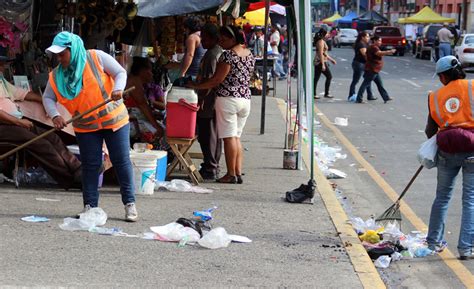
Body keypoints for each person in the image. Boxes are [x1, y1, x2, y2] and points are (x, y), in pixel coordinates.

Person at [42, 31, 138, 222]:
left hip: (114, 121)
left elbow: (120, 72)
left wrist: (118, 88)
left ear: (73, 49)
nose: (59, 59)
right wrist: (55, 115)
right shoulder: (56, 76)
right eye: (57, 55)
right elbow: (47, 98)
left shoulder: (95, 57)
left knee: (120, 161)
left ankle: (130, 204)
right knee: (91, 166)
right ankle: (90, 206)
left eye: (63, 54)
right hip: (86, 127)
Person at [0, 51, 81, 189]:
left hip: (15, 121)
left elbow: (21, 93)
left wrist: (43, 100)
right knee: (40, 143)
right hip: (5, 125)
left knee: (52, 137)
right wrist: (19, 122)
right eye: (1, 64)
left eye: (3, 63)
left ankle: (78, 168)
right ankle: (70, 179)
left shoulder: (1, 80)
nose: (3, 67)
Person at [187, 25, 255, 184]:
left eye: (224, 39)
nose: (221, 42)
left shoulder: (228, 56)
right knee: (236, 137)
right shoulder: (249, 54)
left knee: (229, 138)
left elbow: (217, 80)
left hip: (228, 99)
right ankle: (237, 172)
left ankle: (231, 174)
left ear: (233, 39)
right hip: (245, 98)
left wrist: (196, 86)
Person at [425, 56, 474, 260]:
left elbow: (430, 130)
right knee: (470, 199)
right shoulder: (472, 86)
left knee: (442, 197)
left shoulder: (435, 96)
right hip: (472, 148)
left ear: (443, 76)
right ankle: (466, 248)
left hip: (447, 150)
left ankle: (433, 242)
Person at [195, 23, 224, 180]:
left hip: (209, 101)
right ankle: (212, 164)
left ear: (213, 38)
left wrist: (200, 98)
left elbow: (210, 81)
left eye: (205, 38)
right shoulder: (215, 52)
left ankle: (210, 166)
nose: (202, 41)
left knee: (208, 135)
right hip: (212, 101)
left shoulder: (213, 55)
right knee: (213, 134)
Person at [125, 57, 165, 146]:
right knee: (160, 131)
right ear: (142, 70)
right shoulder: (134, 81)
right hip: (130, 122)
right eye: (149, 70)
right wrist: (156, 126)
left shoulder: (135, 81)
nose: (151, 74)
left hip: (133, 119)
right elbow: (142, 104)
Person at [355, 35, 395, 104]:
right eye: (379, 41)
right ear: (375, 41)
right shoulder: (374, 47)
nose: (380, 42)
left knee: (380, 84)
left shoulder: (374, 47)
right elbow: (379, 54)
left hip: (375, 69)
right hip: (372, 69)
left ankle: (386, 97)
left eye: (380, 41)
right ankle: (359, 98)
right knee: (365, 84)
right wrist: (389, 52)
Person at [348, 32, 374, 101]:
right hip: (359, 64)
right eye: (367, 37)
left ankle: (370, 95)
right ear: (362, 37)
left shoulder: (364, 44)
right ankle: (351, 95)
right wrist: (371, 62)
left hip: (362, 64)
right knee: (356, 80)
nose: (368, 38)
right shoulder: (361, 44)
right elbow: (365, 55)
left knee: (368, 79)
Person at [313, 28, 337, 99]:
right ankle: (326, 93)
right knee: (329, 76)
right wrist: (323, 64)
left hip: (321, 61)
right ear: (323, 34)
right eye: (327, 34)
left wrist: (331, 59)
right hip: (320, 61)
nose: (328, 35)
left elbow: (324, 53)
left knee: (317, 78)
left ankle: (315, 93)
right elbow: (320, 53)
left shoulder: (322, 41)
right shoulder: (320, 42)